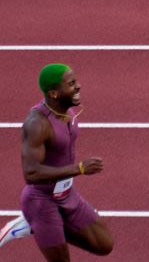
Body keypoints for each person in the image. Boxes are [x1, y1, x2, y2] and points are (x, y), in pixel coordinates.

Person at [0, 64, 114, 260]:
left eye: (75, 81)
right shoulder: (37, 123)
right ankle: (35, 221)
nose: (78, 86)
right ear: (54, 93)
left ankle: (31, 225)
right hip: (41, 201)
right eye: (71, 84)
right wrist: (79, 168)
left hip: (67, 194)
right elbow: (31, 174)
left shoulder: (67, 112)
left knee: (104, 244)